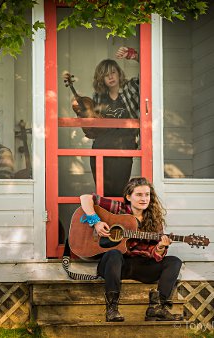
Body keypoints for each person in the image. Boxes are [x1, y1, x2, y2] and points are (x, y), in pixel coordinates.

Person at [79, 177, 183, 322]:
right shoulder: (119, 209)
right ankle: (112, 309)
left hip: (141, 267)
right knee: (114, 253)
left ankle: (157, 308)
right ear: (129, 196)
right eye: (139, 195)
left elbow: (154, 253)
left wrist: (159, 248)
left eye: (147, 195)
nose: (144, 198)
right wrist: (96, 222)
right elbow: (85, 198)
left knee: (174, 262)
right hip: (116, 266)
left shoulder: (154, 220)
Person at [74, 47, 140, 197]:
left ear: (118, 73)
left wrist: (134, 56)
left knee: (119, 192)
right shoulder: (98, 97)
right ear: (101, 79)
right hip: (101, 148)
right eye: (106, 75)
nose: (110, 77)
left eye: (113, 72)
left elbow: (149, 73)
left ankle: (117, 220)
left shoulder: (130, 88)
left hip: (124, 147)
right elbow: (93, 128)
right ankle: (105, 220)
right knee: (103, 193)